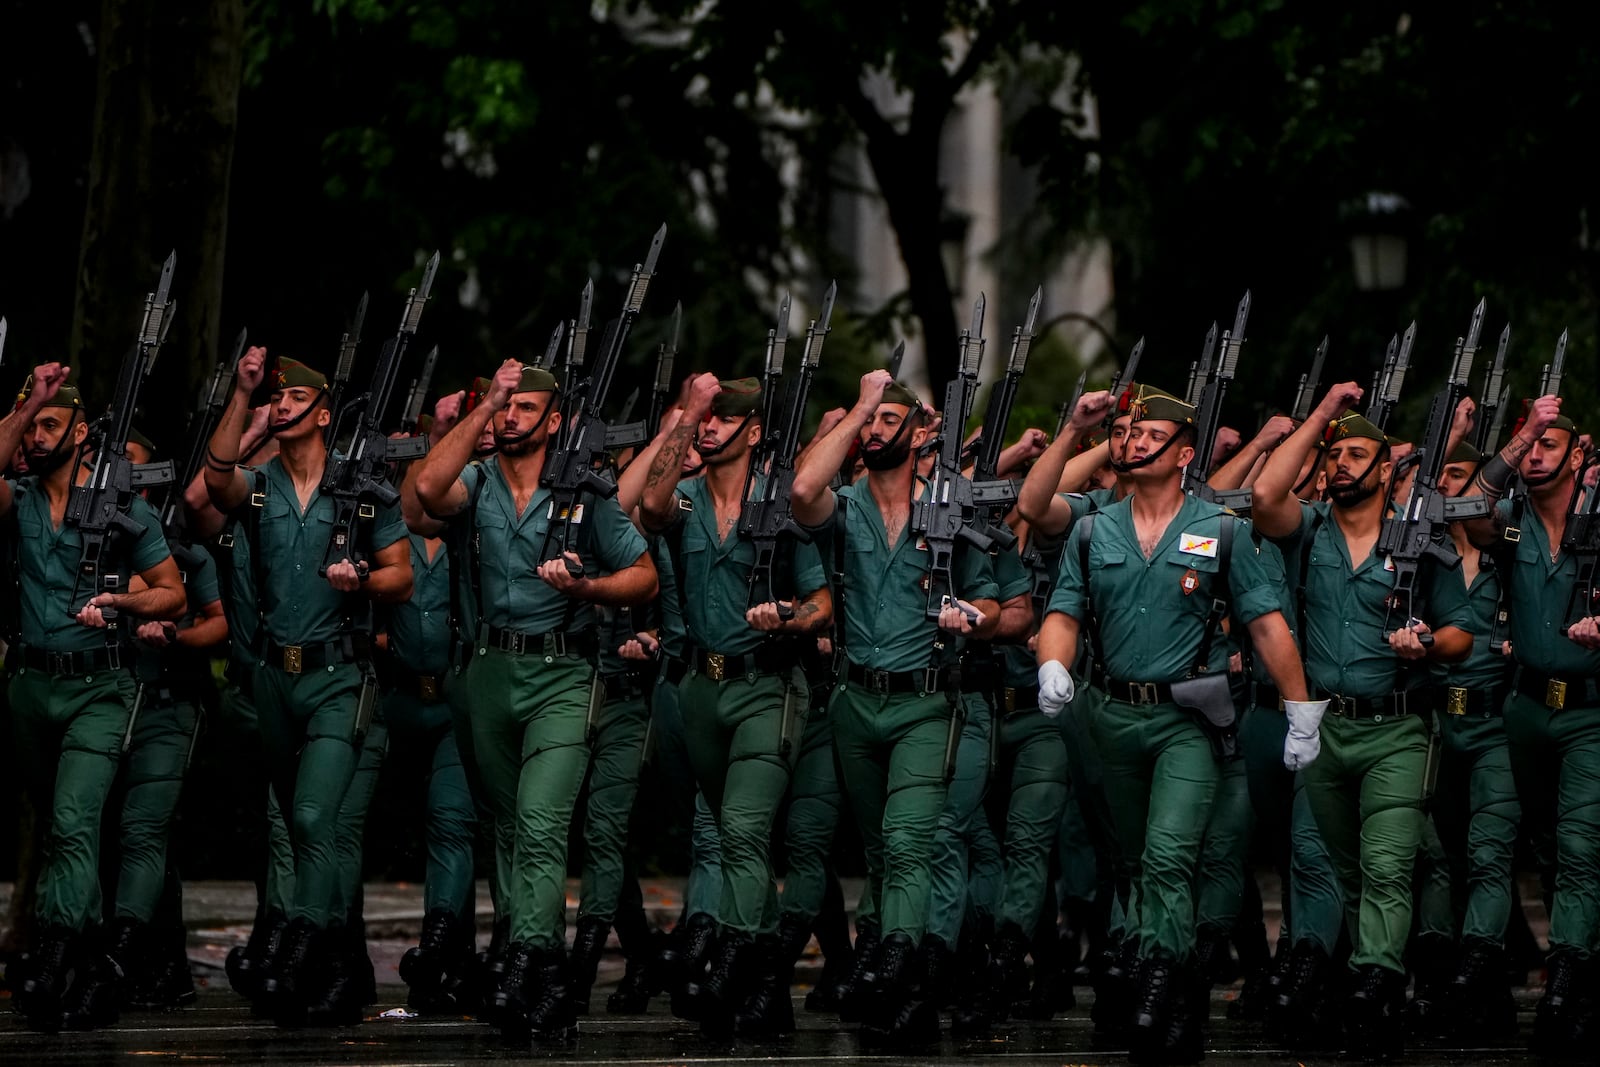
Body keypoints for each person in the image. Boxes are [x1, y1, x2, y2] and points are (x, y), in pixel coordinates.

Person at [1036, 384, 1316, 1064]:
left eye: (1147, 434)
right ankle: (1182, 991)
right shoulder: (1092, 527)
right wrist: (1053, 661)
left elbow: (1266, 624)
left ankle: (1158, 976)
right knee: (1134, 863)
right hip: (1114, 715)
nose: (1133, 442)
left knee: (1168, 856)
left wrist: (1300, 706)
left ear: (1183, 452)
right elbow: (1065, 611)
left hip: (1187, 719)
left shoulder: (1222, 527)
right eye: (1128, 433)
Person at [413, 358, 657, 1040]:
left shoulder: (586, 490)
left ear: (553, 420)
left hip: (562, 670)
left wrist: (588, 590)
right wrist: (484, 403)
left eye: (525, 407)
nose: (512, 416)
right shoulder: (477, 479)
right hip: (491, 668)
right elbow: (426, 489)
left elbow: (643, 575)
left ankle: (529, 959)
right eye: (506, 407)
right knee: (510, 829)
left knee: (543, 821)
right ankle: (540, 966)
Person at [1252, 384, 1474, 1060]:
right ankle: (1376, 975)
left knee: (1385, 865)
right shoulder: (1309, 528)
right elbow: (1263, 498)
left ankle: (1376, 978)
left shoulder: (1419, 540)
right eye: (1334, 453)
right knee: (1347, 869)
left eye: (1357, 453)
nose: (1342, 463)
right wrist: (1319, 416)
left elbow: (1462, 631)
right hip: (1324, 727)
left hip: (1397, 727)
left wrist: (1428, 644)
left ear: (1385, 468)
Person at [203, 348, 414, 1027]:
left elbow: (401, 574)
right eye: (280, 398)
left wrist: (362, 581)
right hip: (274, 675)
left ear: (323, 413)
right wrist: (242, 393)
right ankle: (332, 961)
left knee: (316, 818)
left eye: (298, 400)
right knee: (294, 824)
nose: (285, 405)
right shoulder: (260, 484)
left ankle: (306, 948)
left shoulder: (358, 488)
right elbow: (214, 476)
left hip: (336, 674)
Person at [791, 369, 1002, 1045]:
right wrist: (860, 406)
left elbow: (1004, 601)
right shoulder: (845, 503)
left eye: (890, 421)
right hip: (856, 700)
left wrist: (977, 616)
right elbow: (800, 489)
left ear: (920, 431)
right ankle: (896, 966)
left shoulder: (948, 510)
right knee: (882, 849)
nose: (878, 431)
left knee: (911, 841)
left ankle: (900, 962)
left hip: (924, 701)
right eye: (871, 423)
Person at [639, 373, 832, 1036]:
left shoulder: (780, 504)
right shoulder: (686, 499)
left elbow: (821, 598)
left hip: (767, 687)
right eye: (706, 419)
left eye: (723, 419)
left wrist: (793, 617)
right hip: (701, 689)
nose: (711, 427)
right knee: (730, 836)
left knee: (746, 830)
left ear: (752, 429)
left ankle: (747, 968)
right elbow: (647, 504)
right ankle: (763, 983)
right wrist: (684, 416)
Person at [3, 365, 187, 1032]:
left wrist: (122, 599)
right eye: (29, 424)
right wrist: (27, 406)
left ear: (81, 434)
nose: (35, 435)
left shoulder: (121, 507)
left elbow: (173, 592)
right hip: (31, 685)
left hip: (99, 686)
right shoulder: (17, 496)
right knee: (57, 825)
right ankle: (84, 961)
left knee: (77, 818)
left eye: (51, 423)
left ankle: (60, 953)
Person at [1461, 393, 1600, 1056]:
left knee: (1580, 846)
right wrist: (1521, 438)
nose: (1538, 454)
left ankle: (1567, 980)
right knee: (1545, 845)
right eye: (1530, 445)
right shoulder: (1511, 519)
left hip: (1591, 708)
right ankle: (1580, 956)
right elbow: (1465, 506)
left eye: (1551, 443)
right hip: (1526, 708)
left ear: (1580, 451)